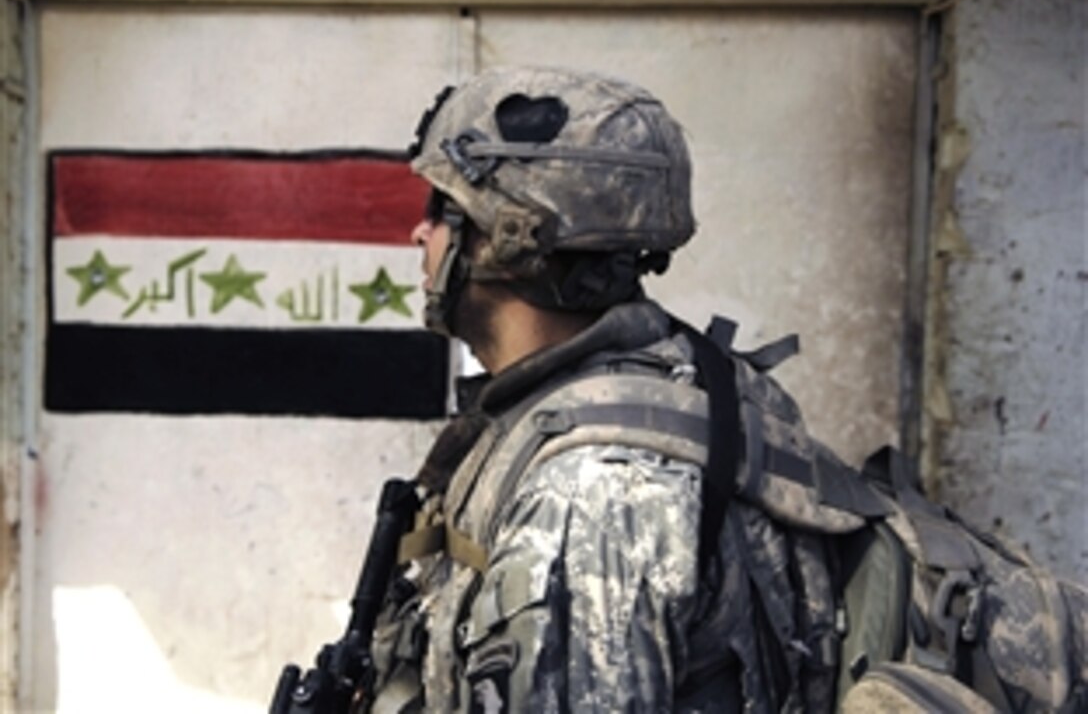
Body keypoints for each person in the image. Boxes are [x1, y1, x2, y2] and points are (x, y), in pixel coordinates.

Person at [360, 67, 1086, 713]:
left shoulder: (594, 496)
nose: (419, 235)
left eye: (442, 211)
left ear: (509, 238)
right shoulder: (655, 375)